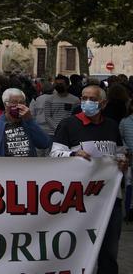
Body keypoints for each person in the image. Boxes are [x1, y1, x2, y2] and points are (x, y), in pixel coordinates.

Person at [51, 84, 128, 274]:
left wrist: (123, 161)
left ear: (103, 103)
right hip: (80, 198)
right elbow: (54, 154)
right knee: (79, 248)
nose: (87, 102)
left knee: (109, 250)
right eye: (84, 98)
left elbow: (119, 152)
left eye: (92, 99)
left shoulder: (111, 125)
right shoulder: (68, 124)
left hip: (110, 199)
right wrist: (72, 155)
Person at [0, 88, 51, 157]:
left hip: (28, 163)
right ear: (5, 105)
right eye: (14, 102)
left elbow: (45, 143)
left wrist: (30, 121)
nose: (18, 105)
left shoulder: (28, 122)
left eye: (22, 102)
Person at [31, 74, 80, 138]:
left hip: (69, 131)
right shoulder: (49, 99)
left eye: (61, 84)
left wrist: (67, 128)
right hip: (52, 133)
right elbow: (48, 116)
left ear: (67, 85)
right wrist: (58, 128)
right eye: (57, 84)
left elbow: (76, 116)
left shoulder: (75, 100)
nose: (58, 86)